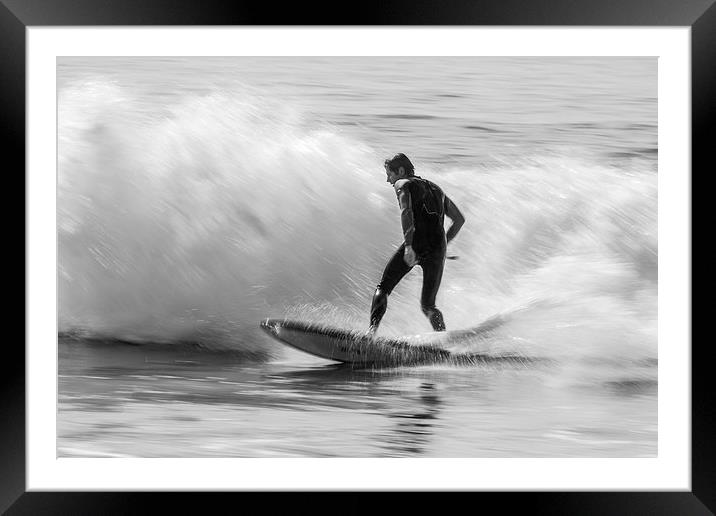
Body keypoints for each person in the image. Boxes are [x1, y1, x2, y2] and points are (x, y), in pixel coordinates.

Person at [368, 153, 465, 336]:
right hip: (437, 248)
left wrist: (409, 246)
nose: (388, 180)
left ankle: (371, 334)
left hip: (417, 244)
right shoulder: (437, 189)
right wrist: (443, 245)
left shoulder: (403, 184)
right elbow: (459, 220)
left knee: (383, 288)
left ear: (401, 171)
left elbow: (406, 212)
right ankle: (443, 341)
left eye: (390, 174)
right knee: (428, 305)